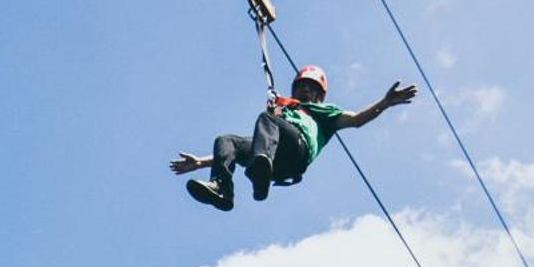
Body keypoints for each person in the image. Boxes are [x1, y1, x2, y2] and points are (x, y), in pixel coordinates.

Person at [172, 67, 418, 210]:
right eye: (302, 86)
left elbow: (357, 120)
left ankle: (261, 168)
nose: (305, 90)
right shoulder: (280, 116)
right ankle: (223, 188)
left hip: (296, 153)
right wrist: (201, 163)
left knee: (266, 121)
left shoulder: (324, 113)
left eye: (311, 88)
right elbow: (240, 149)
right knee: (226, 140)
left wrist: (385, 103)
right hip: (274, 158)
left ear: (320, 95)